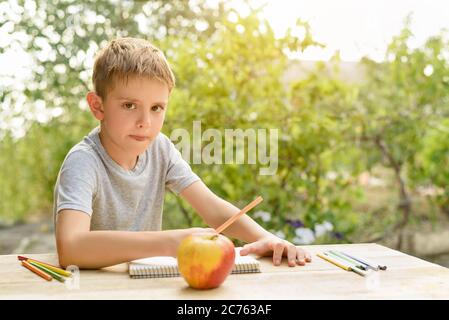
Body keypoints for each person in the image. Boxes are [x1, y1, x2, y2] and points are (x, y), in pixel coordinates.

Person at [53, 37, 312, 269]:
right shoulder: (83, 162)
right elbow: (71, 248)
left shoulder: (160, 148)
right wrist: (169, 242)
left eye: (156, 108)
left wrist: (266, 238)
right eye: (129, 105)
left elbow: (213, 210)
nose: (145, 121)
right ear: (98, 106)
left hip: (143, 285)